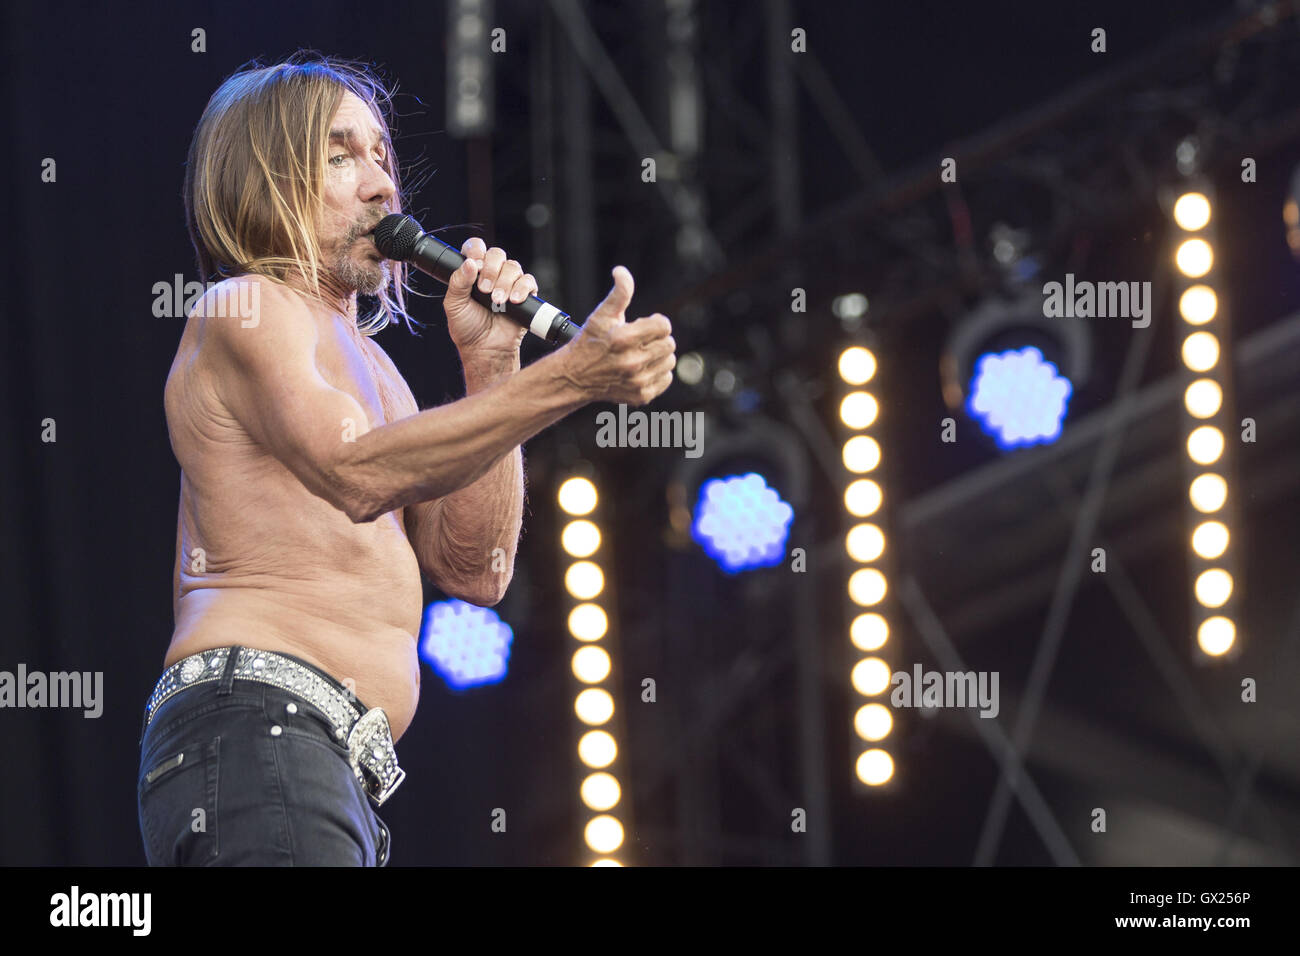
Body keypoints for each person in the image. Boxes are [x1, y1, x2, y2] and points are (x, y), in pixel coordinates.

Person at [136, 54, 675, 866]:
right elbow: (355, 475)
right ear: (264, 179)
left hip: (321, 755)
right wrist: (571, 379)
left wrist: (495, 368)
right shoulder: (244, 307)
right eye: (341, 155)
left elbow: (476, 569)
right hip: (256, 724)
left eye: (383, 156)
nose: (383, 186)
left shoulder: (377, 369)